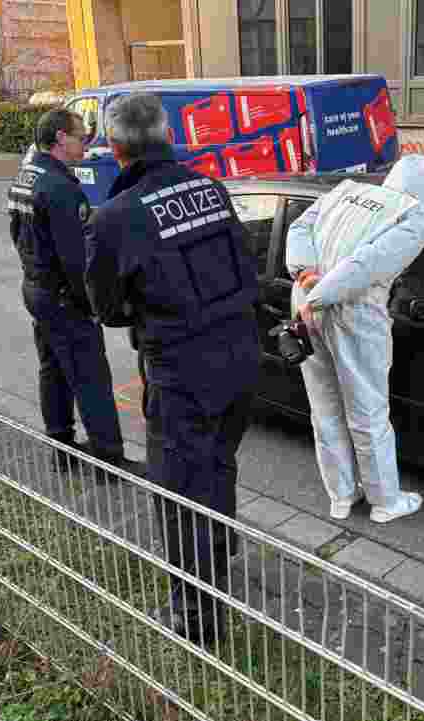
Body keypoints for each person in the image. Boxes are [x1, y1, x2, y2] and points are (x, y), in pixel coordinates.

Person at [84, 93, 260, 645]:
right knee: (220, 462)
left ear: (114, 149)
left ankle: (197, 618)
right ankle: (221, 548)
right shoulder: (208, 187)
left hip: (184, 371)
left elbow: (106, 308)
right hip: (241, 356)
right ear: (168, 135)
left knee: (180, 491)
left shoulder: (115, 217)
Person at [285, 154, 424, 524]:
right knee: (368, 412)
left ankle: (341, 495)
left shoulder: (346, 192)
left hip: (305, 303)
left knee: (324, 407)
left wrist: (306, 279)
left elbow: (299, 229)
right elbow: (366, 266)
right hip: (353, 313)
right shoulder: (413, 220)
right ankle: (385, 501)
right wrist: (319, 295)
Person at [7, 108, 141, 477]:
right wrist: (93, 304)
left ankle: (61, 446)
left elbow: (18, 235)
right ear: (61, 138)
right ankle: (108, 457)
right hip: (64, 296)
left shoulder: (25, 176)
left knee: (52, 369)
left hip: (36, 289)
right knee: (90, 376)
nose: (88, 142)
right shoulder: (60, 187)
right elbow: (76, 259)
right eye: (82, 136)